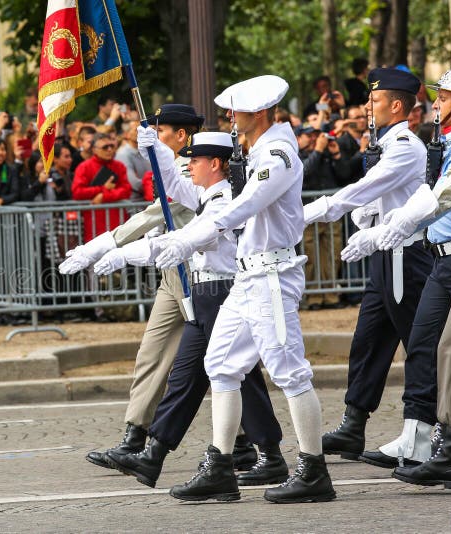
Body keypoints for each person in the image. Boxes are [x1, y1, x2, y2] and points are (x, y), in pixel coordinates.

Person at [152, 76, 335, 504]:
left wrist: (190, 237)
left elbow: (246, 204)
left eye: (236, 113)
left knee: (289, 370)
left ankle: (313, 469)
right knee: (220, 365)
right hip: (249, 276)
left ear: (258, 113)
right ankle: (220, 467)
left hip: (272, 275)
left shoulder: (277, 153)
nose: (231, 120)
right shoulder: (255, 152)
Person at [62, 105, 265, 474]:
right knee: (156, 355)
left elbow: (154, 215)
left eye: (162, 130)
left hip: (202, 275)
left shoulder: (198, 171)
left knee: (223, 363)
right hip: (175, 274)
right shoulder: (180, 168)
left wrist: (104, 246)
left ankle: (248, 443)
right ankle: (137, 439)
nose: (156, 134)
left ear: (183, 135)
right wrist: (154, 154)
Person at [96, 130, 287, 490]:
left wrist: (124, 253)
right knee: (184, 377)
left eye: (194, 160)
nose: (189, 166)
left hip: (222, 291)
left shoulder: (224, 199)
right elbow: (170, 182)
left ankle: (269, 454)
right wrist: (154, 148)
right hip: (203, 293)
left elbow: (186, 236)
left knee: (240, 377)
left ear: (215, 164)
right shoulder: (206, 193)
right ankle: (155, 453)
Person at [345, 62, 451, 471]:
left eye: (446, 96)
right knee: (447, 345)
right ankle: (449, 450)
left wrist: (400, 221)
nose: (436, 105)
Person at [303, 68, 433, 462]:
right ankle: (353, 424)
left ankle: (433, 430)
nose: (367, 105)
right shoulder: (384, 144)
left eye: (374, 101)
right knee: (368, 342)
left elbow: (362, 190)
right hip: (383, 253)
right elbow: (374, 197)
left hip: (406, 256)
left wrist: (305, 213)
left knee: (420, 344)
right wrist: (367, 219)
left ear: (396, 106)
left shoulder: (407, 146)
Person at [297, 123, 351, 310]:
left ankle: (330, 295)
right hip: (308, 214)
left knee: (333, 254)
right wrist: (318, 152)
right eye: (308, 135)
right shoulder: (297, 156)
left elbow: (345, 175)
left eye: (316, 135)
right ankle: (314, 298)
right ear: (298, 139)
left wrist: (335, 155)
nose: (313, 139)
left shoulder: (327, 154)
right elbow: (303, 174)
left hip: (330, 213)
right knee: (311, 256)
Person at [70, 132, 132, 242]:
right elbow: (78, 192)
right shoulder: (84, 167)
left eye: (112, 146)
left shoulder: (120, 166)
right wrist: (103, 189)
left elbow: (126, 190)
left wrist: (104, 196)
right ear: (94, 149)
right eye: (105, 147)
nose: (109, 150)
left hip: (118, 222)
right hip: (94, 223)